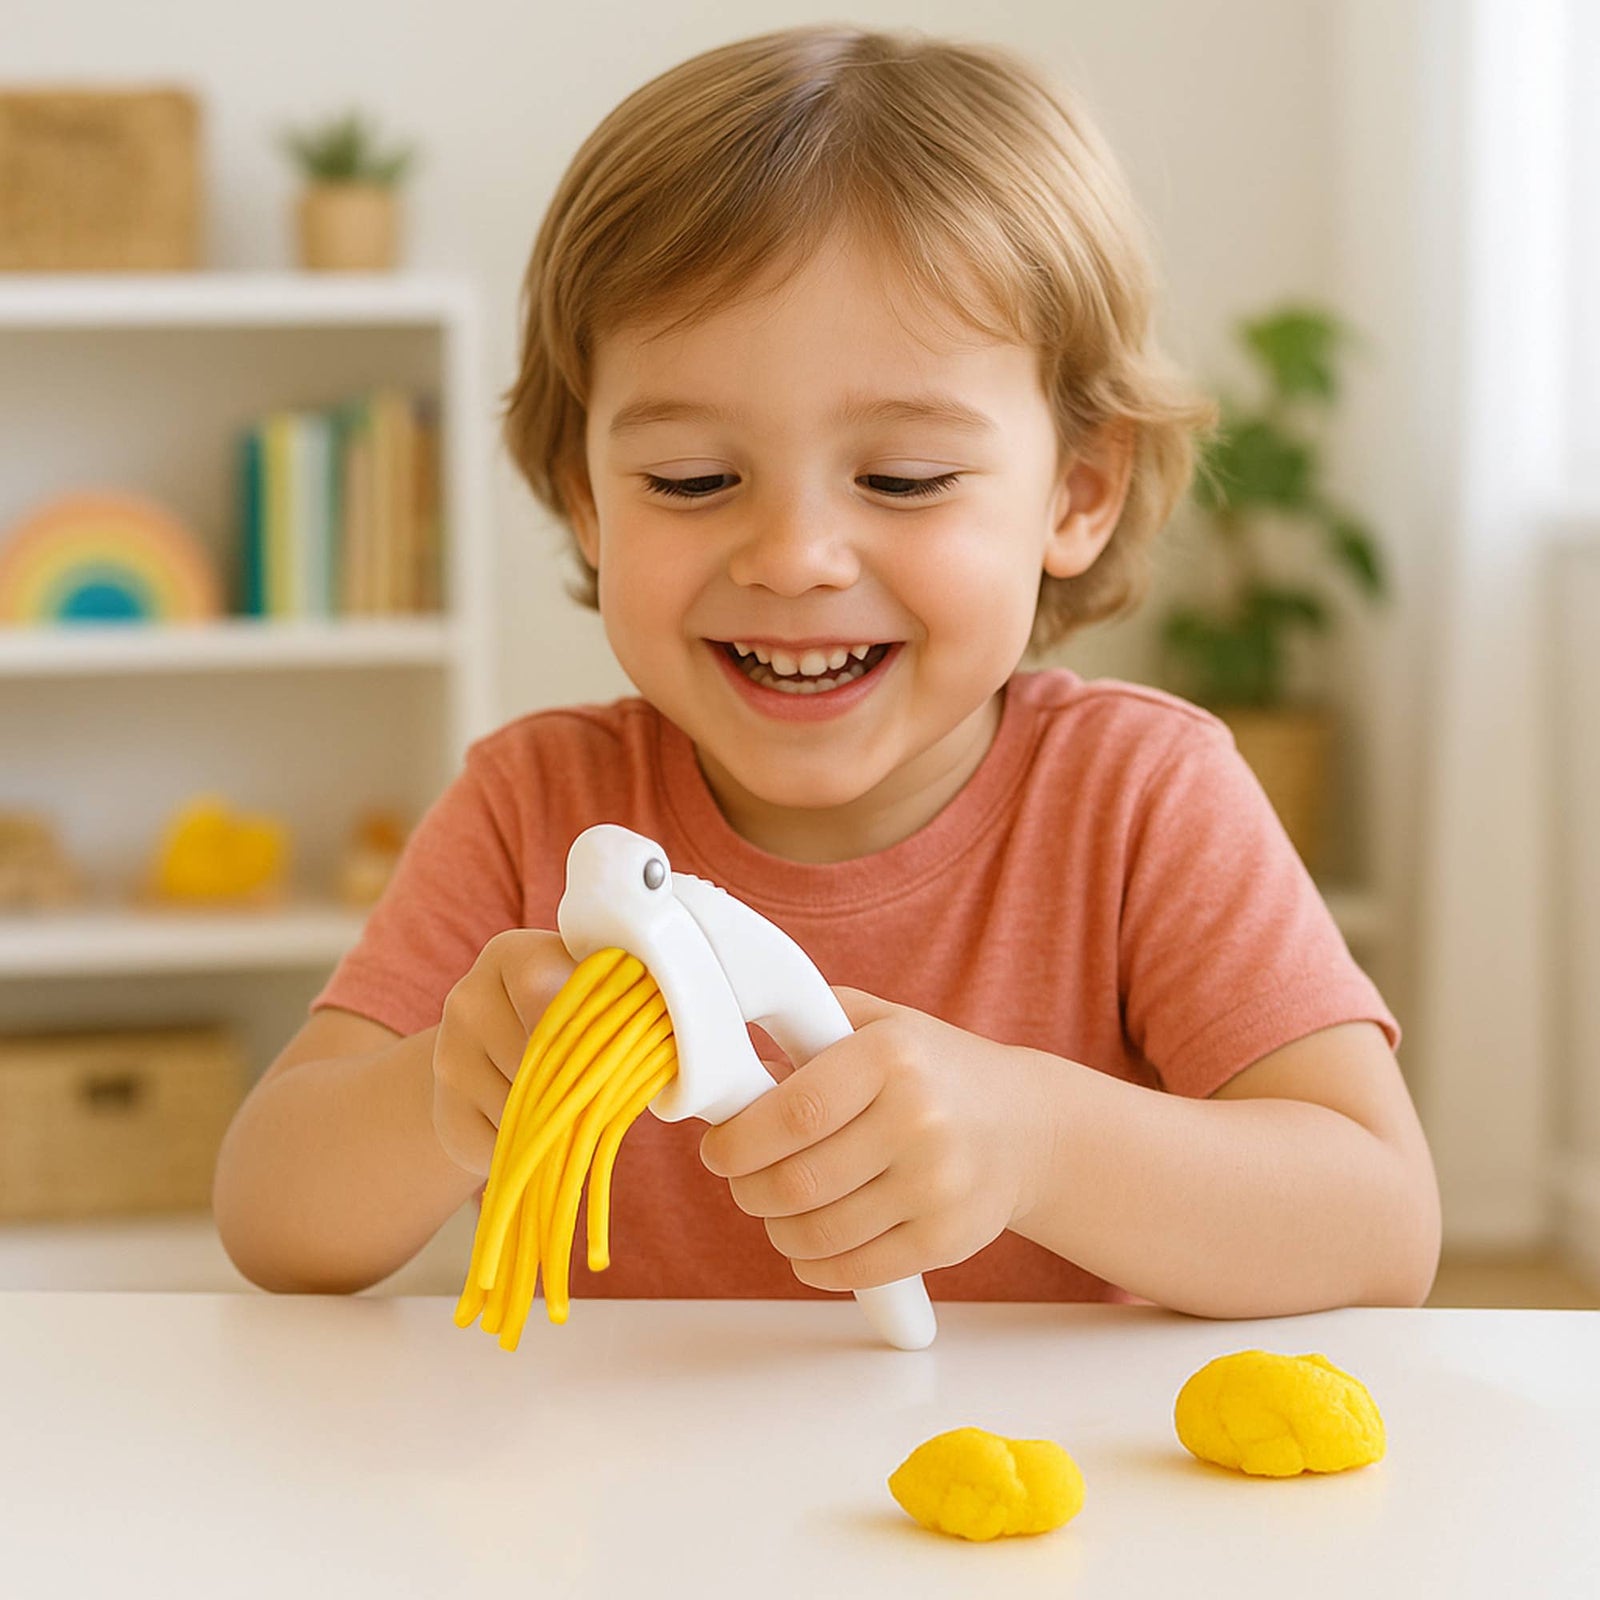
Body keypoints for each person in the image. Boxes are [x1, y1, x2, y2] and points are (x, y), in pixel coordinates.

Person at [213, 24, 1441, 1316]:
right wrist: (441, 1098)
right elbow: (269, 1213)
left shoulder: (1142, 799)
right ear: (585, 499)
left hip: (1031, 1510)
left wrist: (1041, 1144)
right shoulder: (537, 807)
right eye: (693, 480)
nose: (794, 557)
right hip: (630, 1504)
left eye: (901, 479)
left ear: (1076, 491)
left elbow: (1377, 1224)